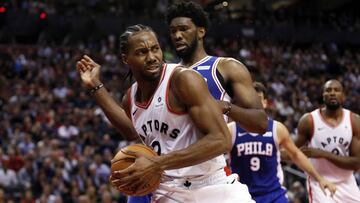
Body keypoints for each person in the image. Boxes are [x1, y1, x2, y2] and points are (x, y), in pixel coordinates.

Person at [76, 24, 254, 203]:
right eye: (141, 52)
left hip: (213, 187)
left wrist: (157, 163)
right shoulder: (130, 98)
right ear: (126, 59)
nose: (152, 57)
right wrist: (96, 87)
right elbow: (131, 131)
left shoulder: (183, 79)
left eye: (155, 49)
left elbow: (220, 140)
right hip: (169, 192)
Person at [228, 82, 336, 203]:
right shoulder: (231, 130)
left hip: (274, 195)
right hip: (242, 197)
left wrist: (319, 178)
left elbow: (295, 155)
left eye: (258, 99)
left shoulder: (276, 128)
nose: (254, 103)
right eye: (250, 99)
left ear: (265, 103)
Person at [294, 79, 360, 203]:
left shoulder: (354, 121)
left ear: (343, 96)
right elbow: (292, 150)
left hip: (347, 182)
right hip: (319, 182)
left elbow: (356, 163)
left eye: (336, 90)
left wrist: (322, 154)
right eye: (328, 90)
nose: (332, 93)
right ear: (323, 96)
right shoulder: (309, 120)